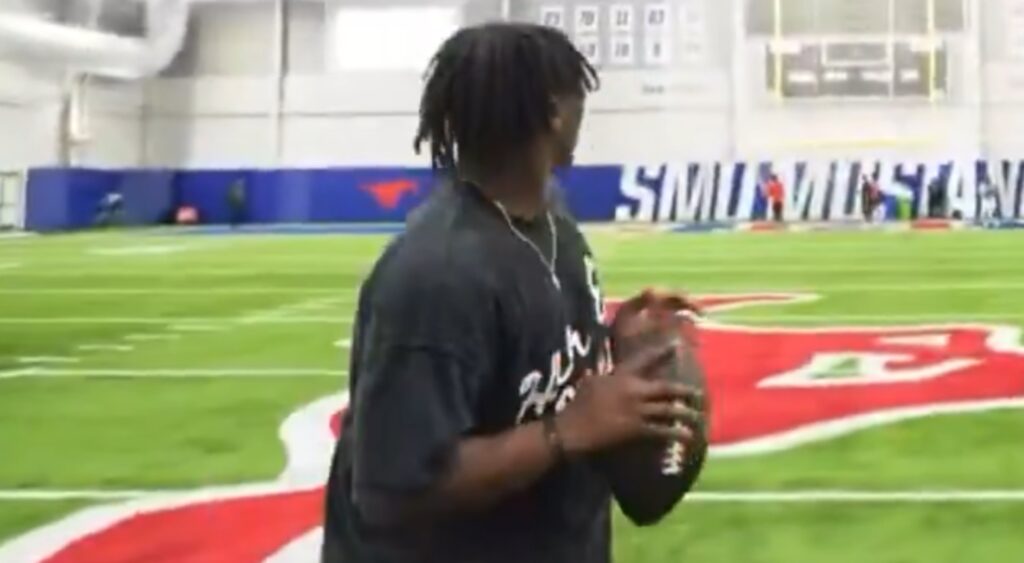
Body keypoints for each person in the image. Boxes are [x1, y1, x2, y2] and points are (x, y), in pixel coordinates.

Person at [321, 23, 701, 563]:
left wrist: (612, 336)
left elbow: (529, 364)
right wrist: (565, 431)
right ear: (552, 112)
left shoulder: (551, 222)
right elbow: (396, 488)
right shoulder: (436, 277)